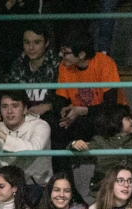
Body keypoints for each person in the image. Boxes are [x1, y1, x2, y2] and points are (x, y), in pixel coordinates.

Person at [53, 27, 127, 168]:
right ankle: (64, 179)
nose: (60, 55)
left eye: (65, 52)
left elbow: (111, 104)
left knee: (103, 122)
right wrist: (65, 111)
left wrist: (82, 111)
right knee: (56, 127)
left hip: (109, 116)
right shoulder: (64, 66)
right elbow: (60, 99)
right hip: (82, 118)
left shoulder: (104, 62)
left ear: (81, 54)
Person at [0, 90, 53, 188]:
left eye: (15, 106)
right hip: (7, 188)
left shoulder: (40, 125)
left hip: (37, 186)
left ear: (25, 109)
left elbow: (33, 150)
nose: (9, 111)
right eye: (4, 106)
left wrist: (1, 135)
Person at [70, 103, 132, 192]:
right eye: (127, 119)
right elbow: (77, 150)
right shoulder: (99, 141)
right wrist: (74, 144)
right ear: (116, 121)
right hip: (105, 192)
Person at [6, 24, 62, 119]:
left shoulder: (57, 65)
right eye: (27, 42)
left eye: (36, 42)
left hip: (51, 119)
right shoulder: (17, 65)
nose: (31, 48)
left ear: (46, 43)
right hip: (22, 119)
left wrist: (49, 106)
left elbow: (66, 99)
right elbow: (11, 97)